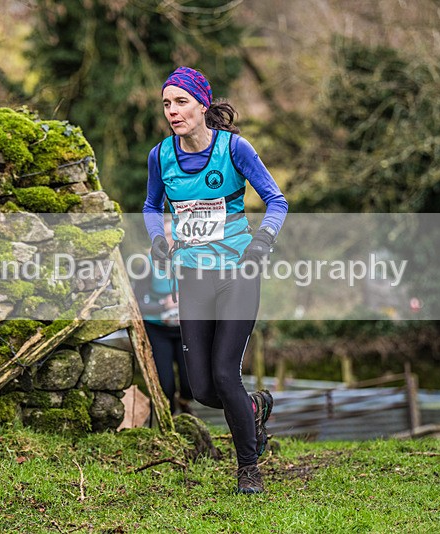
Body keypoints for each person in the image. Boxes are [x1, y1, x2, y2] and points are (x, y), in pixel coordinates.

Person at [143, 66, 288, 494]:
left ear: (202, 105)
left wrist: (262, 241)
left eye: (181, 101)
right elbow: (152, 206)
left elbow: (277, 201)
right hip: (193, 276)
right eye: (167, 103)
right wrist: (157, 240)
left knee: (225, 375)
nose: (172, 111)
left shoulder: (234, 149)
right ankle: (256, 407)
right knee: (204, 389)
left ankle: (249, 468)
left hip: (239, 272)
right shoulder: (161, 156)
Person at [133, 217, 194, 416]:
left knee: (191, 382)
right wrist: (162, 304)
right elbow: (136, 303)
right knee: (166, 384)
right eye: (167, 235)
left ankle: (185, 402)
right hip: (158, 329)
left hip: (185, 329)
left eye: (175, 235)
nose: (171, 239)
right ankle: (171, 418)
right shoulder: (146, 263)